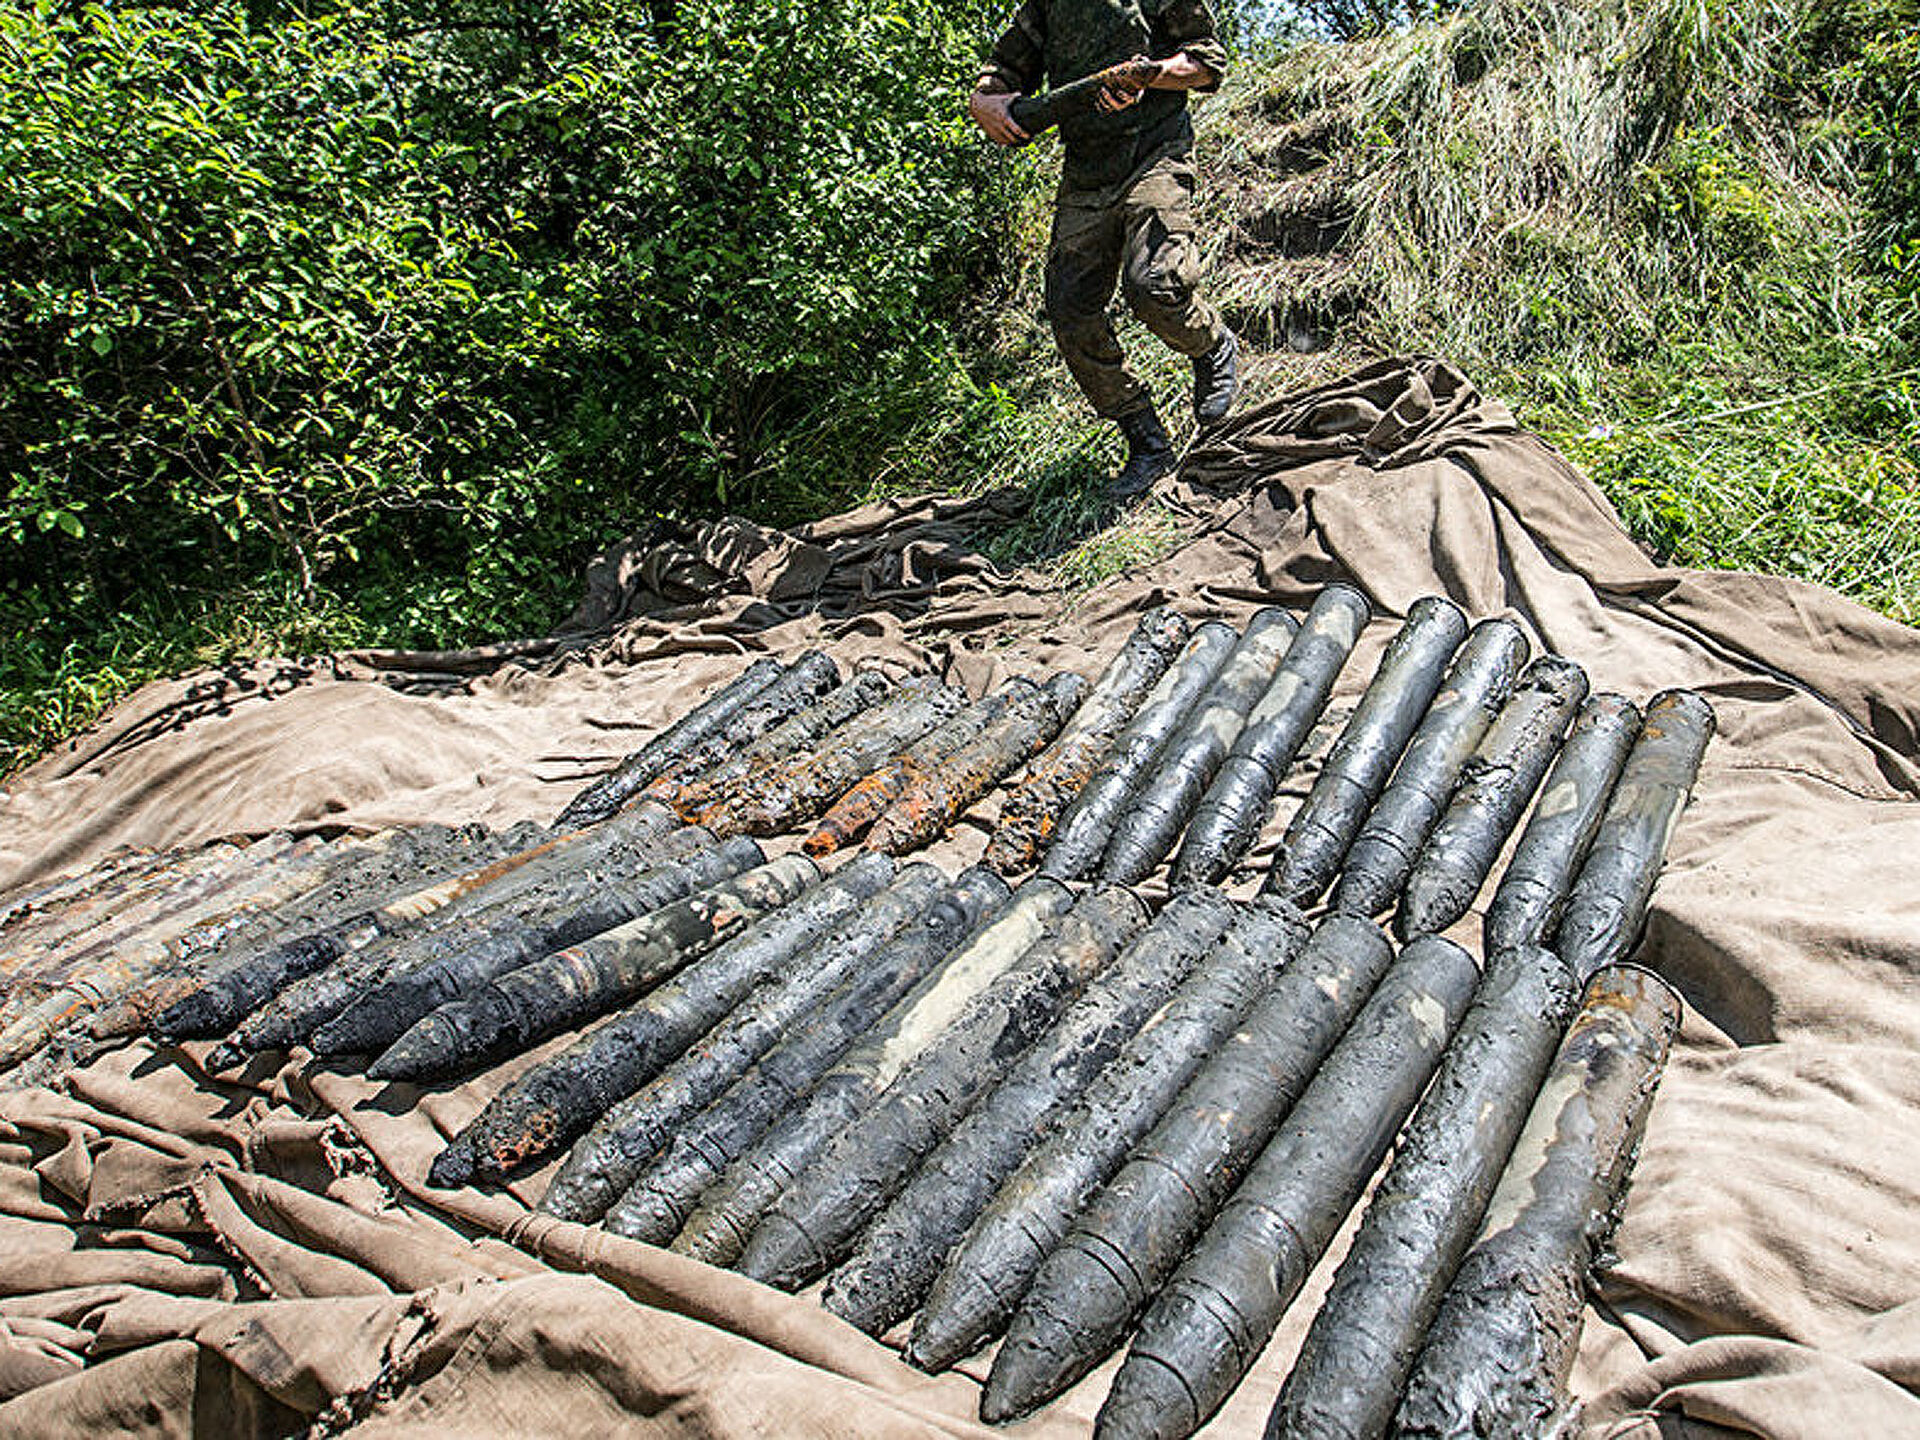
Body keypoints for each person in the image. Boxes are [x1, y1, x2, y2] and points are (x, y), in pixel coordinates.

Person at [970, 0, 1240, 503]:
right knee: (1070, 312)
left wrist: (1150, 76)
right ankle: (1147, 442)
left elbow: (1206, 62)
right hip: (1087, 174)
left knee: (1155, 284)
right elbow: (1003, 72)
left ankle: (1212, 346)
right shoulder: (1046, 7)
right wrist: (985, 101)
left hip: (1154, 155)